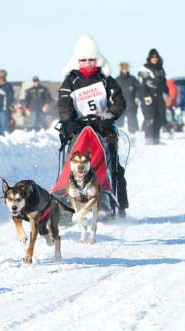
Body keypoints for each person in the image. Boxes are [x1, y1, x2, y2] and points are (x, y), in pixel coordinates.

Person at [57, 33, 127, 216]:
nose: (87, 63)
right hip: (79, 129)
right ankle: (68, 196)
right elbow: (64, 104)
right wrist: (69, 122)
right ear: (77, 61)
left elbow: (119, 102)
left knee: (115, 165)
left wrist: (109, 115)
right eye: (83, 60)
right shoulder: (70, 81)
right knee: (73, 160)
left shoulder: (106, 80)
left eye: (91, 60)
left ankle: (115, 201)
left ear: (97, 60)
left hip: (103, 127)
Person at [140, 49, 168, 145]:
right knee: (150, 118)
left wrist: (167, 93)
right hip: (149, 97)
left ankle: (156, 138)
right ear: (149, 58)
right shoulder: (145, 68)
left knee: (159, 117)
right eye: (153, 57)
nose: (154, 58)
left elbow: (164, 82)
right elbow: (142, 84)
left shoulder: (161, 69)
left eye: (156, 57)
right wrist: (146, 96)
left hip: (159, 97)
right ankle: (149, 138)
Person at [115, 62, 141, 133]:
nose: (125, 70)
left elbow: (138, 89)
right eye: (123, 68)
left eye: (126, 68)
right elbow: (113, 92)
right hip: (120, 105)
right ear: (121, 69)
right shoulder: (117, 79)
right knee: (119, 123)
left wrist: (137, 97)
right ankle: (118, 135)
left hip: (131, 104)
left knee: (132, 120)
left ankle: (134, 135)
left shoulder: (133, 79)